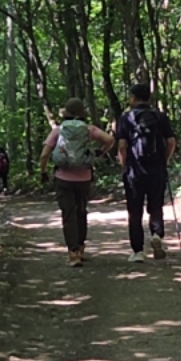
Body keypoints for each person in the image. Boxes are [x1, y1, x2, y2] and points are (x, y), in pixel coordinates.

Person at [38, 100, 113, 265]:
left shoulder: (58, 130)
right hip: (84, 178)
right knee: (81, 212)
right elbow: (109, 139)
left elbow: (44, 155)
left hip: (63, 178)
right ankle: (80, 247)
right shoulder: (89, 129)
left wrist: (43, 172)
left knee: (68, 214)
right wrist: (100, 153)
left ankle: (73, 253)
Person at [115, 80, 176, 261]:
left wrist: (124, 165)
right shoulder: (160, 117)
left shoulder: (126, 118)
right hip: (157, 169)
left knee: (135, 211)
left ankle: (138, 251)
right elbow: (171, 142)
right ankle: (156, 235)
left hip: (134, 171)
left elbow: (122, 145)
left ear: (133, 98)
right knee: (156, 206)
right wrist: (164, 160)